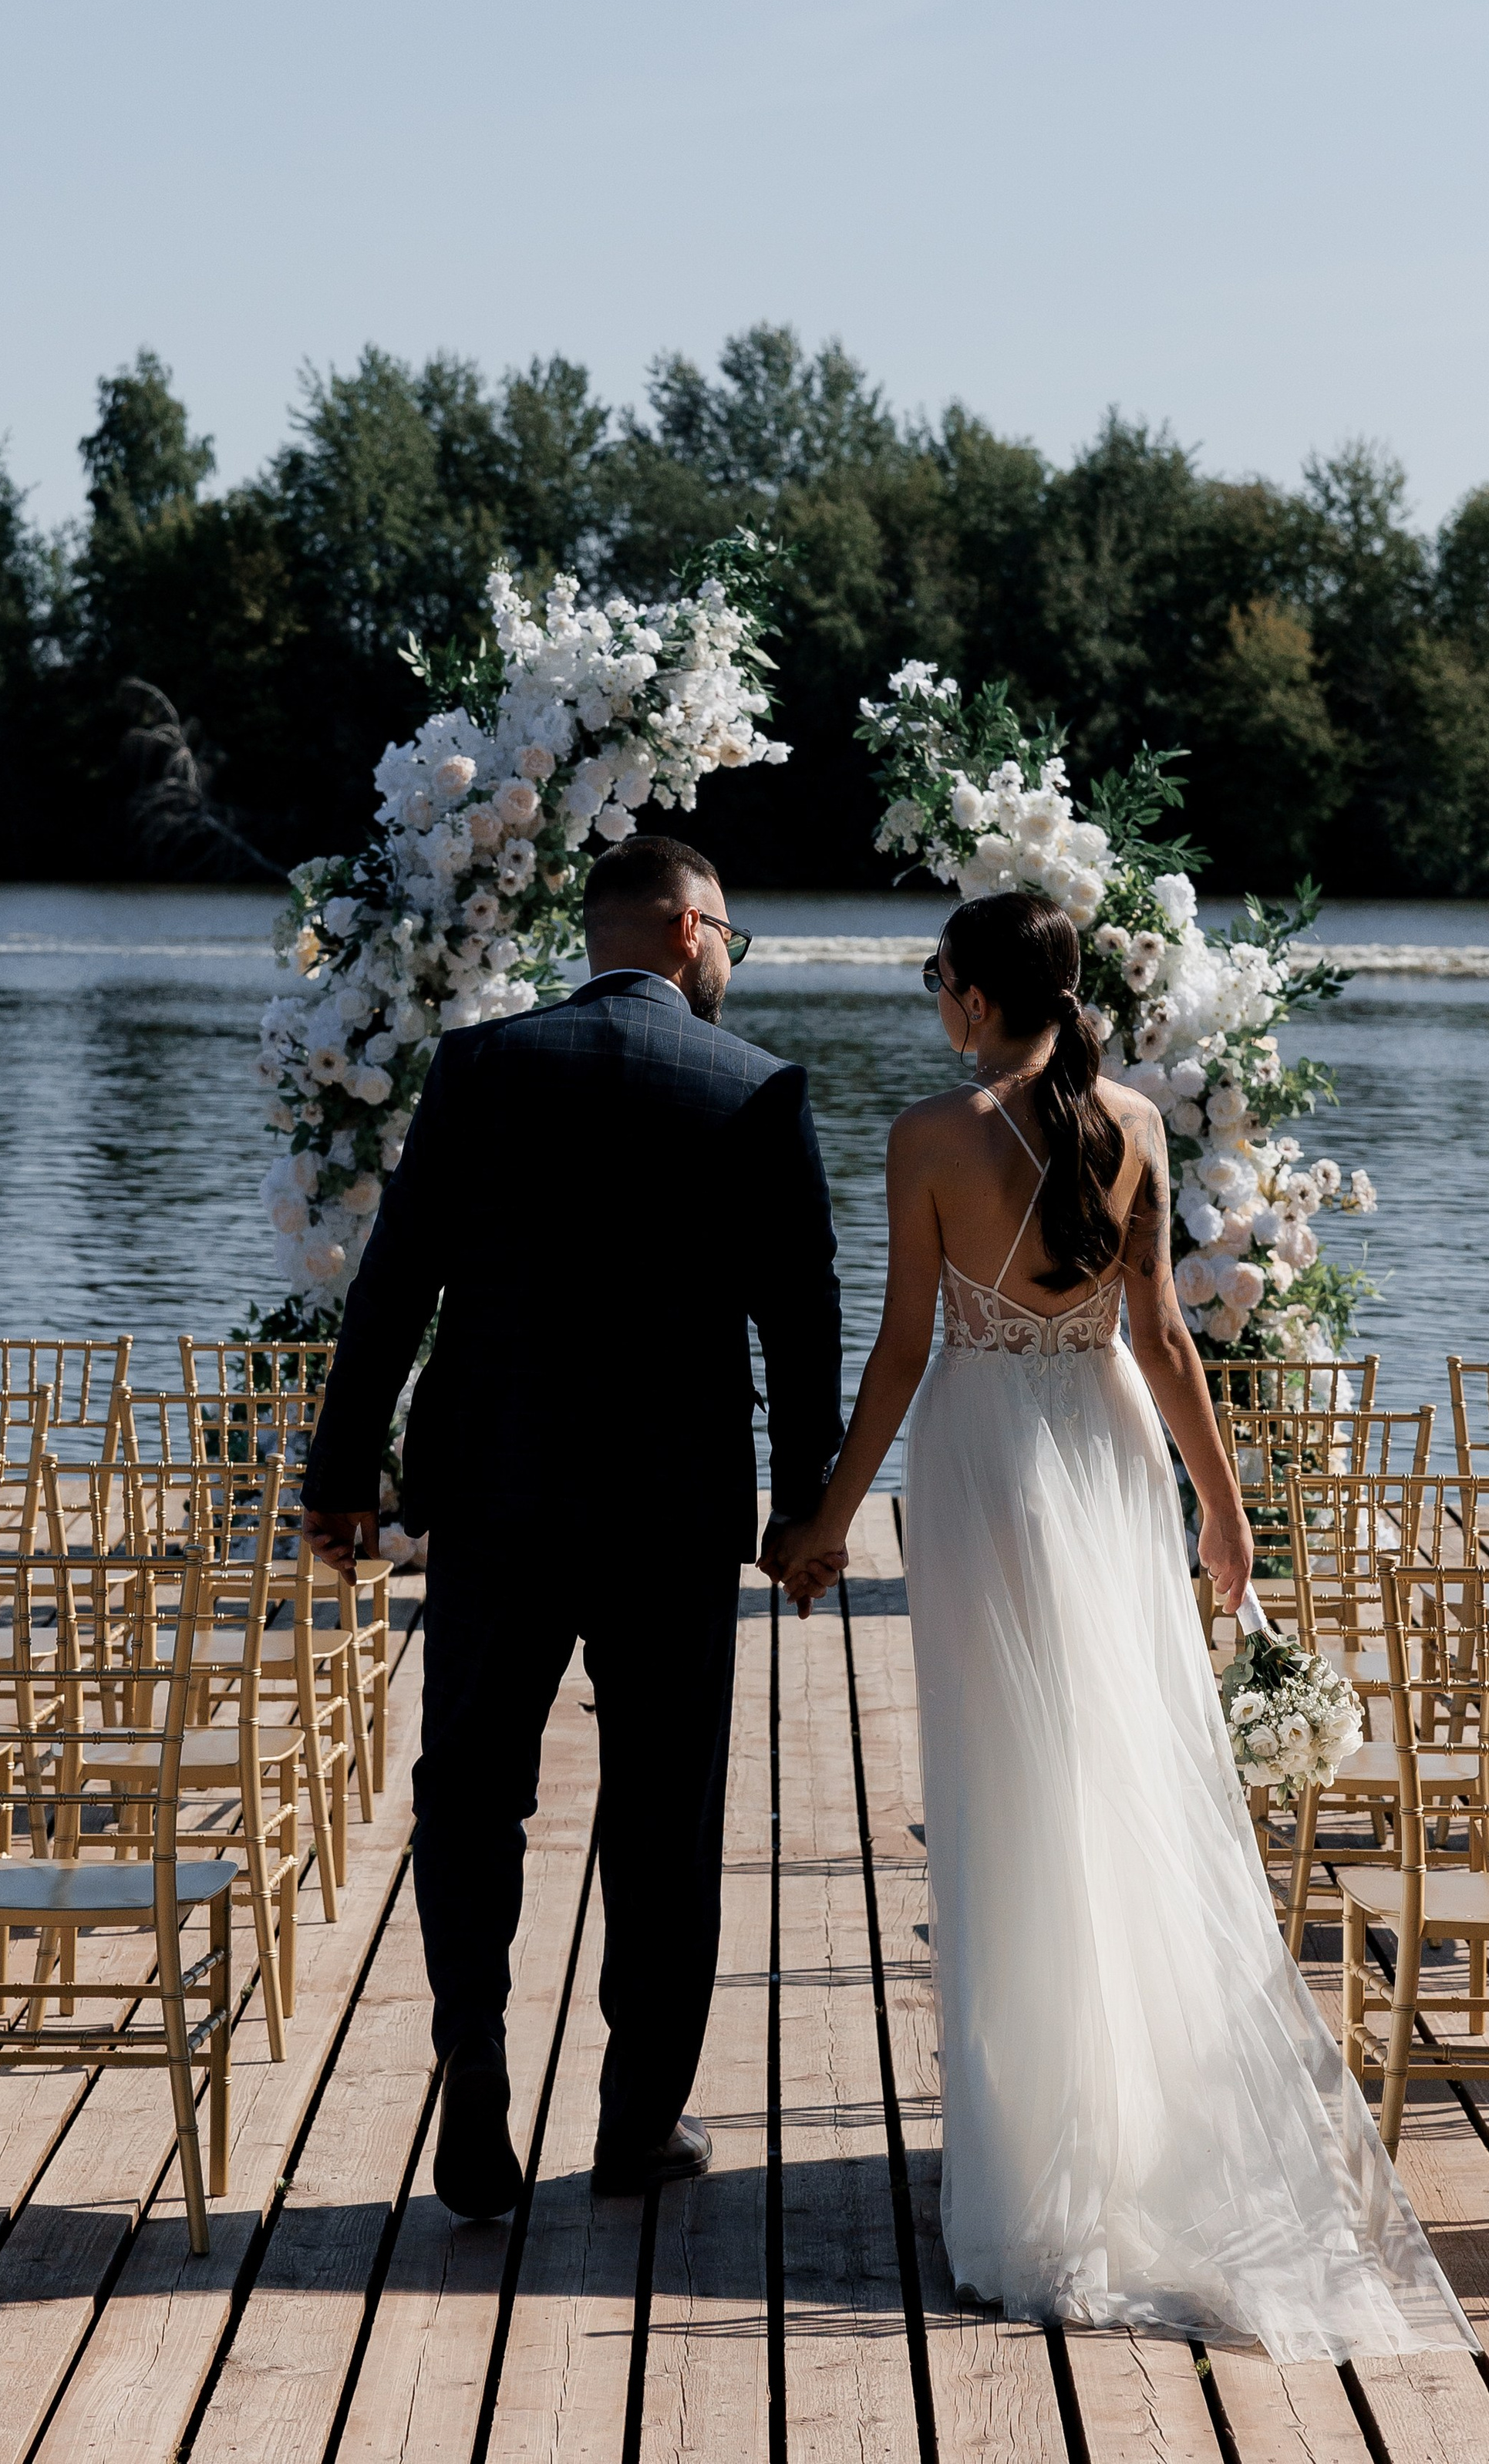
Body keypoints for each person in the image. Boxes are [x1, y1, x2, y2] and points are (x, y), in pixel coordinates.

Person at [762, 891, 1472, 2362]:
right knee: (1118, 1778)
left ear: (973, 998)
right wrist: (1226, 1512)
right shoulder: (1133, 1121)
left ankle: (1035, 2184)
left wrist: (825, 1518)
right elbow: (1161, 1340)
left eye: (938, 978)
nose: (935, 998)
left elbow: (902, 1348)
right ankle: (1126, 2139)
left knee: (1006, 1798)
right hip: (1110, 1448)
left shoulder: (929, 1134)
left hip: (985, 1463)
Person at [303, 835, 845, 2216]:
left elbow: (393, 1283)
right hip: (674, 1508)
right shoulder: (756, 1086)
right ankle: (636, 2125)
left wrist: (342, 1477)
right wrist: (807, 1506)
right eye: (732, 938)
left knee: (470, 1790)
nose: (733, 963)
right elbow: (802, 1319)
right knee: (664, 1810)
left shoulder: (480, 1067)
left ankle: (474, 2065)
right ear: (686, 930)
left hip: (498, 1491)